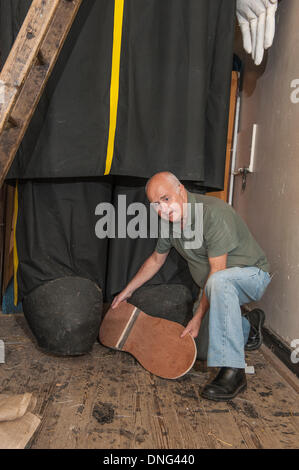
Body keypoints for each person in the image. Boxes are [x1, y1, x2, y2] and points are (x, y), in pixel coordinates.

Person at [112, 172, 272, 401]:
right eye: (155, 204)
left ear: (181, 190)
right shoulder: (170, 222)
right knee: (202, 350)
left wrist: (197, 318)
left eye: (165, 199)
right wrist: (126, 291)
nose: (162, 208)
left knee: (219, 285)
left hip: (252, 275)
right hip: (214, 289)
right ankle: (249, 327)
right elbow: (156, 260)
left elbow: (219, 273)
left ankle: (234, 372)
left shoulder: (213, 213)